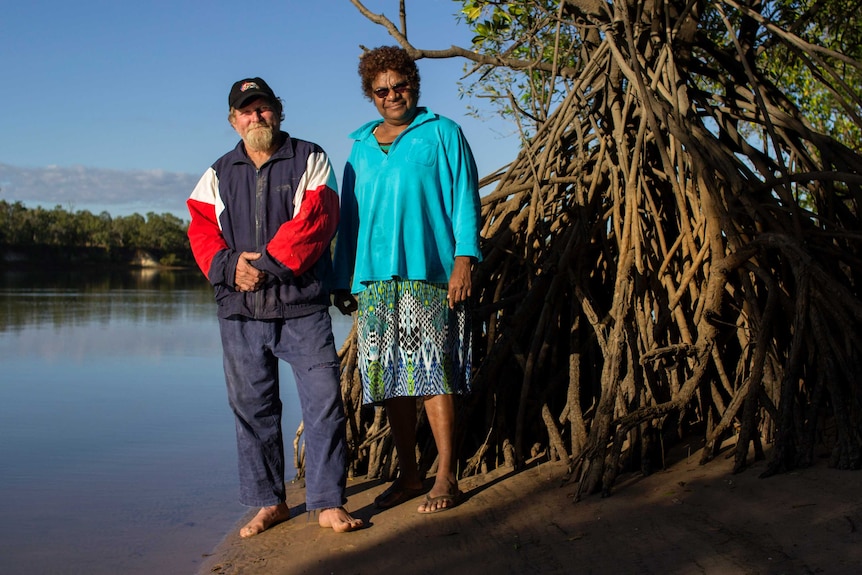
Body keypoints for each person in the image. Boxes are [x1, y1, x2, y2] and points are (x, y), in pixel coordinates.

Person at [187, 77, 363, 536]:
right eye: (246, 111)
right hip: (240, 312)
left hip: (301, 306)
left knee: (323, 403)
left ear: (278, 113)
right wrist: (230, 269)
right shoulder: (218, 173)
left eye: (263, 108)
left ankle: (326, 501)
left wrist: (263, 265)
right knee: (253, 410)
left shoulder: (309, 157)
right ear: (233, 121)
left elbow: (318, 220)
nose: (256, 117)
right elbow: (202, 231)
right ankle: (270, 502)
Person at [332, 46, 482, 514]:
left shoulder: (443, 133)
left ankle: (446, 477)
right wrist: (342, 278)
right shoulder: (359, 147)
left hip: (429, 275)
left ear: (414, 85)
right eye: (382, 91)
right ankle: (410, 477)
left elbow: (465, 199)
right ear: (370, 95)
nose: (392, 96)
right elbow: (349, 220)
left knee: (436, 374)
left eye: (401, 87)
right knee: (390, 378)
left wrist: (464, 259)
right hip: (376, 282)